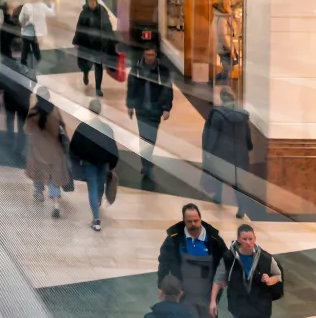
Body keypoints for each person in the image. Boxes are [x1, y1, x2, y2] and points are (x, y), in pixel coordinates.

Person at [158, 204, 230, 315]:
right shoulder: (174, 239)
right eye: (189, 221)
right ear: (184, 221)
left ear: (200, 219)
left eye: (196, 221)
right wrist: (162, 285)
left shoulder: (214, 239)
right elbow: (164, 261)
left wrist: (225, 278)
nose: (193, 224)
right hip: (183, 295)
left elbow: (227, 259)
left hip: (208, 296)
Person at [203, 89, 256, 219]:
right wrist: (248, 147)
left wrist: (208, 150)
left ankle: (217, 197)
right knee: (236, 181)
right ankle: (241, 205)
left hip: (222, 151)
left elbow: (213, 134)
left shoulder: (217, 114)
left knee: (219, 174)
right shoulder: (243, 116)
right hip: (239, 153)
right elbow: (247, 134)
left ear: (222, 100)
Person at [70, 98, 120, 231]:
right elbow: (113, 149)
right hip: (104, 163)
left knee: (92, 187)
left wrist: (75, 160)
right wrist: (112, 164)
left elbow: (74, 146)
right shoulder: (106, 128)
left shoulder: (83, 127)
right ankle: (97, 204)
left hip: (89, 163)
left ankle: (96, 219)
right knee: (99, 186)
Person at [215, 225, 283, 318]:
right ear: (238, 239)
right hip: (239, 306)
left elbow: (278, 275)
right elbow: (218, 278)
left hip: (260, 308)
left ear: (255, 239)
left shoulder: (265, 258)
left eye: (250, 239)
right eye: (244, 239)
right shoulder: (229, 257)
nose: (248, 242)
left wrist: (269, 280)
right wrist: (212, 301)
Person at [24, 87, 72, 219]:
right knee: (53, 179)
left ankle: (39, 192)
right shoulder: (55, 111)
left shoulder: (34, 112)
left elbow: (26, 129)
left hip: (38, 150)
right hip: (54, 151)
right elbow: (62, 127)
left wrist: (30, 107)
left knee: (38, 171)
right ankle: (56, 205)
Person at [128, 45, 174, 179]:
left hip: (155, 109)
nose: (149, 58)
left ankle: (147, 159)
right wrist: (130, 105)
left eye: (152, 55)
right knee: (144, 137)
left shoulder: (162, 71)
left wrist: (166, 108)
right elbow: (132, 87)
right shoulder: (136, 68)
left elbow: (167, 90)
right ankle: (146, 164)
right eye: (147, 55)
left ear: (156, 56)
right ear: (144, 54)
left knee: (151, 138)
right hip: (141, 109)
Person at [0, 38, 36, 155]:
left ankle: (9, 139)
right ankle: (20, 146)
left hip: (9, 97)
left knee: (9, 119)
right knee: (21, 124)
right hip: (23, 98)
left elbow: (1, 80)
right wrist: (29, 92)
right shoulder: (28, 63)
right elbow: (34, 80)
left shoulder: (6, 61)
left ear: (11, 49)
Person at [17, 0, 55, 69]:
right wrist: (53, 5)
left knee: (28, 49)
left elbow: (21, 19)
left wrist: (26, 22)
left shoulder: (28, 6)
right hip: (33, 33)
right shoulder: (39, 6)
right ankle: (36, 62)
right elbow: (51, 13)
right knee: (33, 48)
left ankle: (25, 63)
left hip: (30, 33)